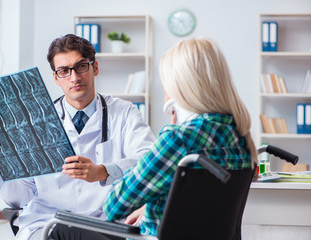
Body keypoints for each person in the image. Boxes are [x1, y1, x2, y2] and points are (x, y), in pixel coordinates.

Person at [0, 34, 156, 240]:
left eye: (81, 67)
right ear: (55, 78)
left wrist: (103, 172)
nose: (74, 78)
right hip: (47, 221)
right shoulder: (33, 121)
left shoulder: (124, 112)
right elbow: (19, 197)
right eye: (64, 71)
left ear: (94, 68)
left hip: (105, 221)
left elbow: (149, 161)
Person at [103, 38, 258, 237]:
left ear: (181, 87)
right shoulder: (240, 134)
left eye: (167, 83)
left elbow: (114, 207)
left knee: (61, 229)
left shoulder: (178, 139)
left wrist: (172, 129)